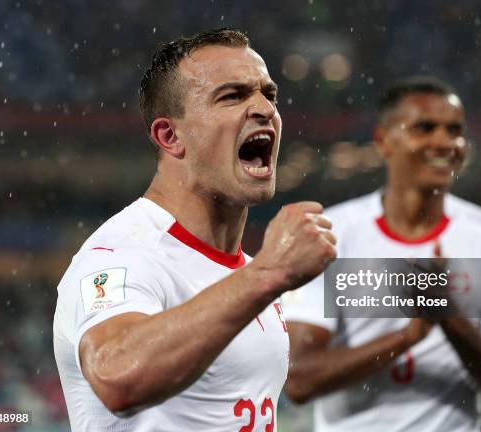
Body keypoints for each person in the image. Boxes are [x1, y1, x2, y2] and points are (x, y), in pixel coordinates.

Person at [53, 28, 337, 432]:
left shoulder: (249, 274)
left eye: (268, 95)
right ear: (170, 136)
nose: (264, 109)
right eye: (232, 96)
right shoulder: (123, 254)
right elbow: (117, 376)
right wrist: (270, 274)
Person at [283, 76, 481, 431]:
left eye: (455, 130)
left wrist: (449, 317)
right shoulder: (330, 233)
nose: (444, 142)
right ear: (383, 140)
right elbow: (298, 380)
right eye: (425, 128)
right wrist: (408, 336)